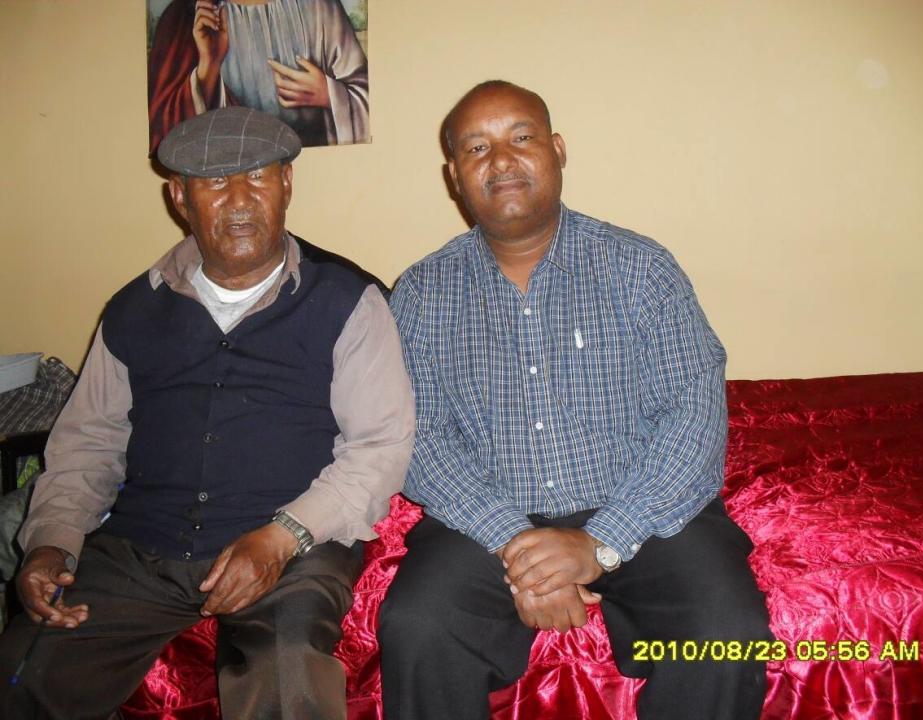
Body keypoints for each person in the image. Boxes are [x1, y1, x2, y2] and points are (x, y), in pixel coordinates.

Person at [0, 106, 414, 720]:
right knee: (23, 670)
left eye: (259, 176)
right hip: (140, 549)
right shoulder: (131, 311)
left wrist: (281, 538)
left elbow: (379, 447)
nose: (241, 199)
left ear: (288, 185)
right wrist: (51, 542)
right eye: (215, 182)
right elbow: (86, 445)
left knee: (287, 675)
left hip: (294, 546)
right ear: (179, 197)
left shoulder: (349, 300)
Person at [378, 80, 772, 720]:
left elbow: (694, 416)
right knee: (418, 623)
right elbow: (419, 437)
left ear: (558, 150)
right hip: (486, 521)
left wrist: (600, 542)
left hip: (643, 510)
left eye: (521, 137)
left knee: (725, 628)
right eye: (477, 147)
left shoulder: (641, 268)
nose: (501, 160)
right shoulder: (422, 293)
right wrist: (517, 545)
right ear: (454, 177)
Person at [148, 0, 369, 153]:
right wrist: (209, 67)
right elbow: (166, 134)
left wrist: (329, 94)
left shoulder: (320, 7)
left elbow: (368, 102)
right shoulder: (186, 19)